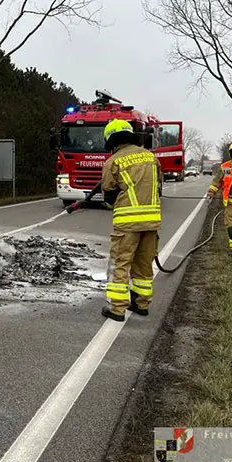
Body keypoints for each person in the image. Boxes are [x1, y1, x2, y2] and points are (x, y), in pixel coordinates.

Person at [99, 119, 162, 322]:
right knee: (144, 263)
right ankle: (142, 304)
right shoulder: (151, 157)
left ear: (111, 140)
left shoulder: (113, 161)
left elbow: (109, 194)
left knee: (120, 263)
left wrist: (112, 201)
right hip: (151, 221)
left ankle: (116, 308)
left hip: (127, 223)